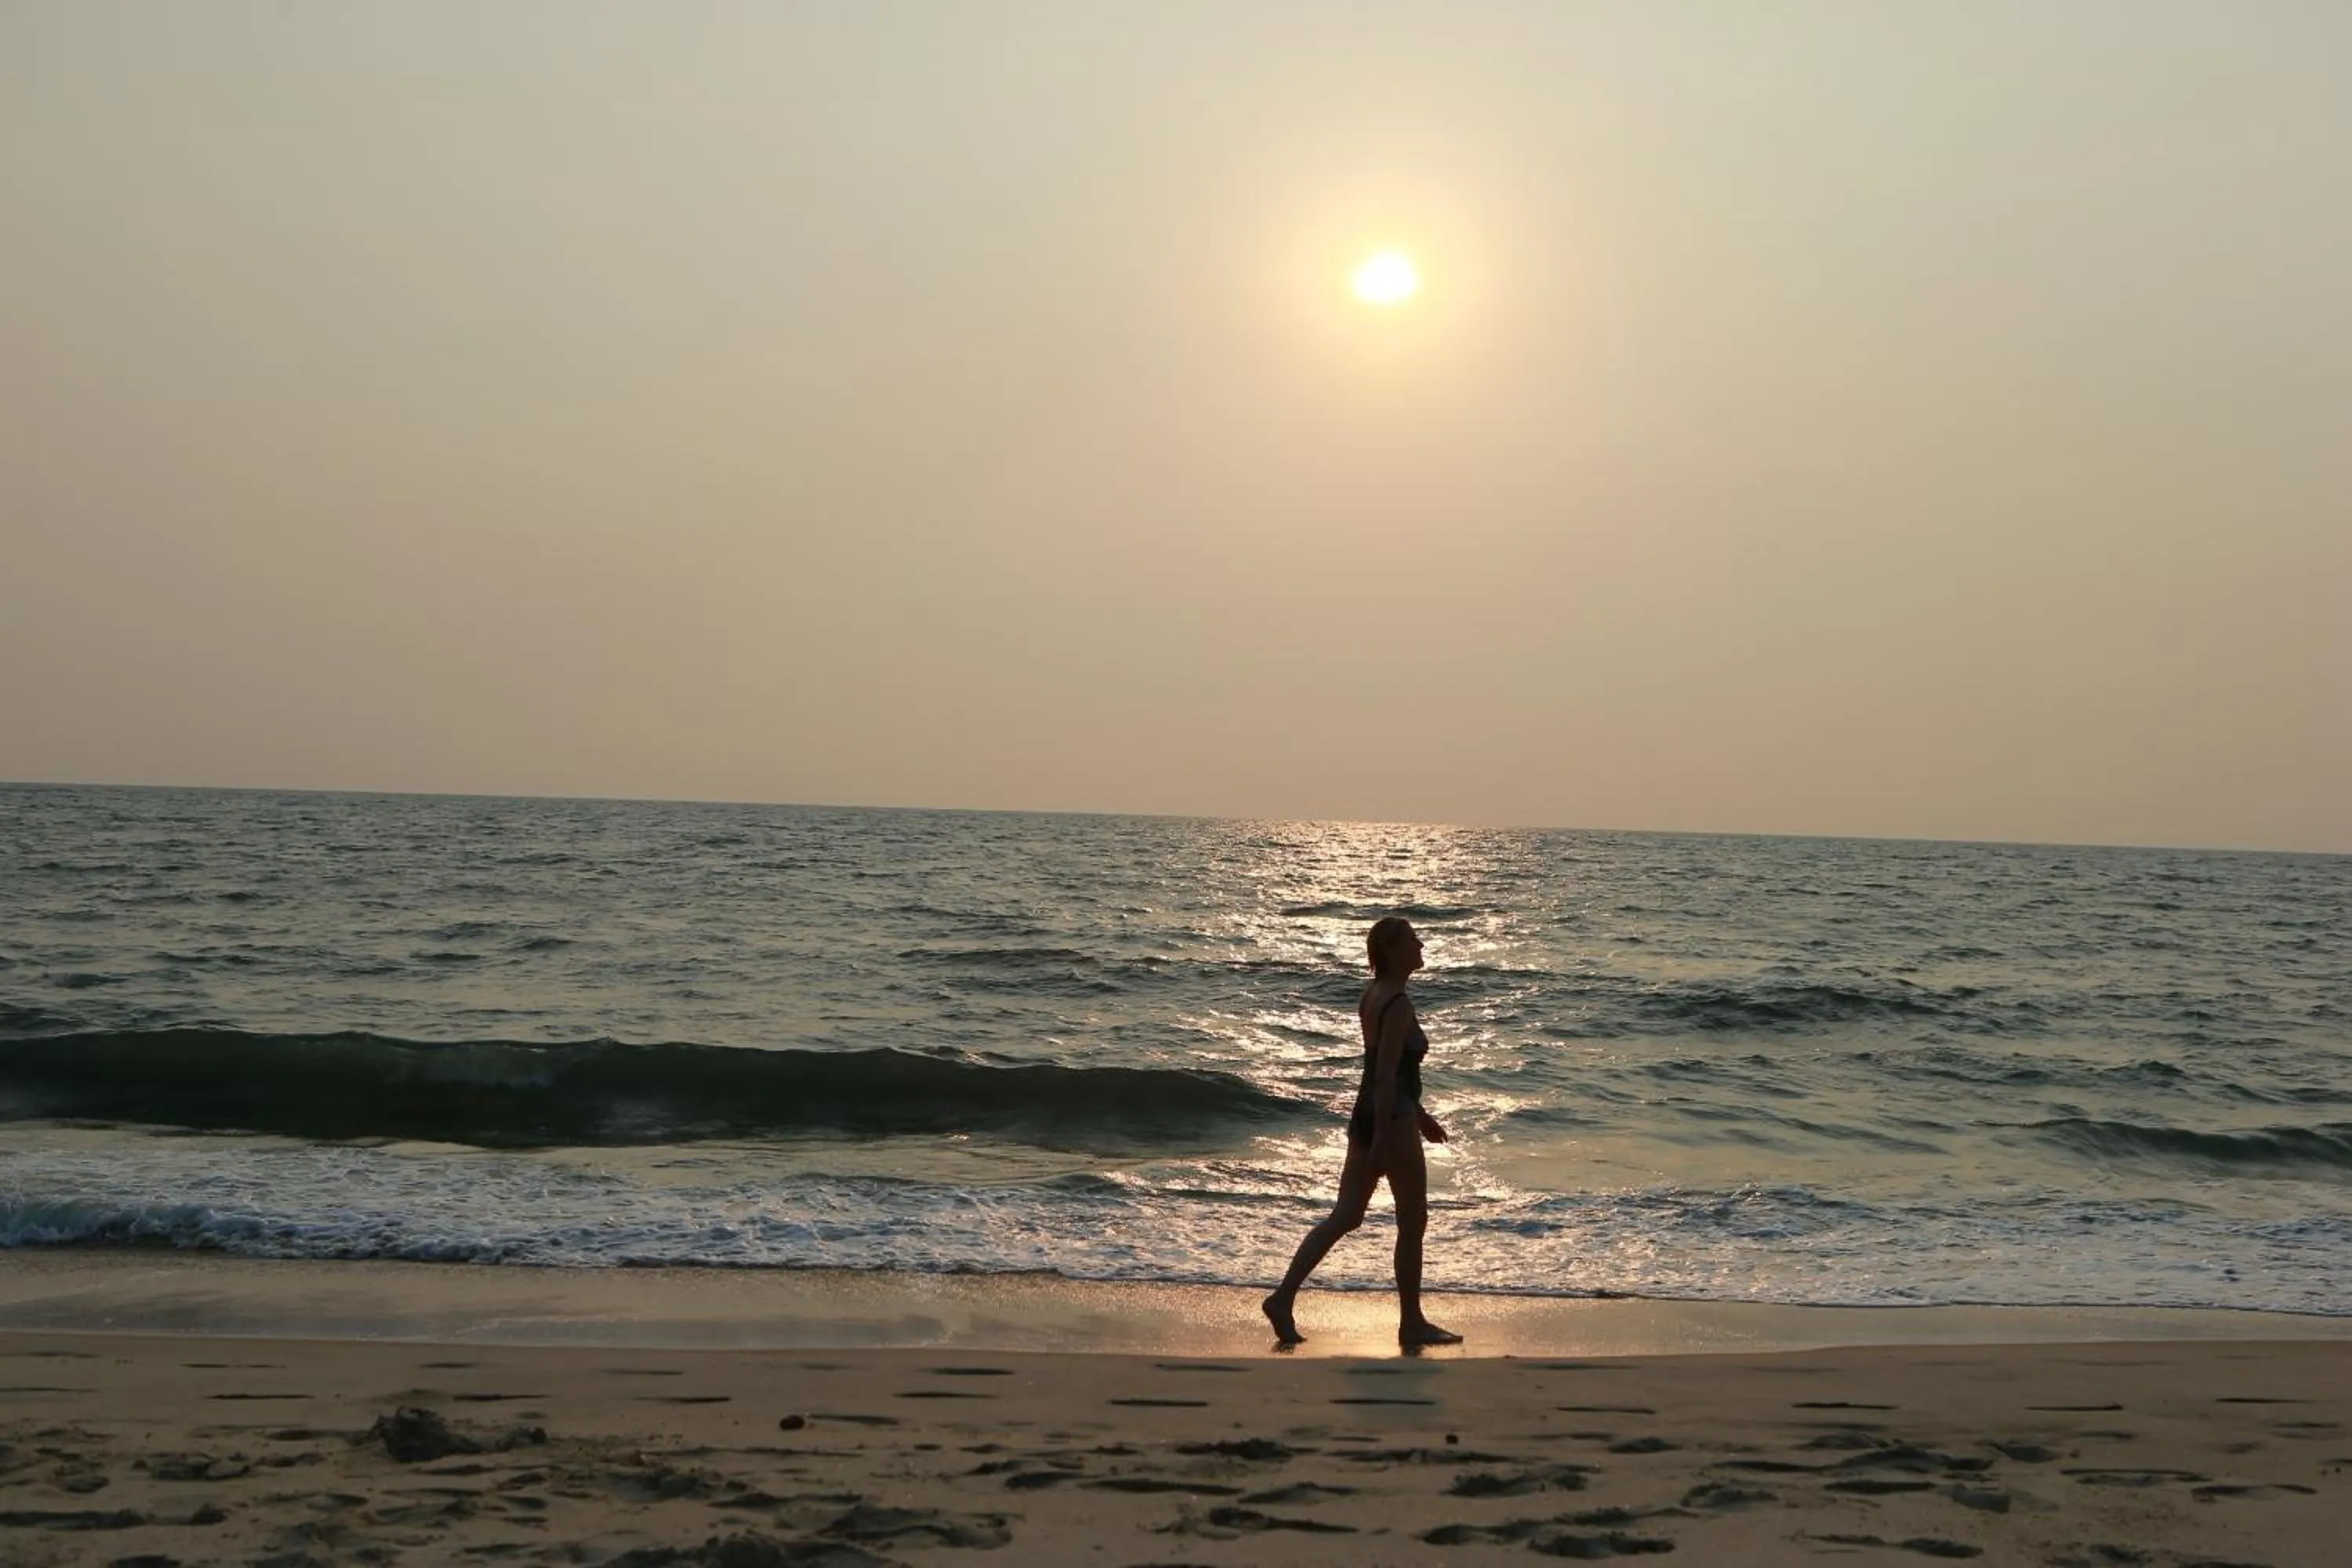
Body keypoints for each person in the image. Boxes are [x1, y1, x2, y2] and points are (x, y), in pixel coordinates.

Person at [1262, 916, 1461, 1347]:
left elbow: (1379, 1072)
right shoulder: (1398, 1005)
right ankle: (1411, 1323)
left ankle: (1282, 1298)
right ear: (1392, 951)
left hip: (1367, 1113)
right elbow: (1388, 1075)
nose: (1420, 944)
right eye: (1412, 939)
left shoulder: (1373, 996)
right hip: (1391, 1119)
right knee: (1413, 1221)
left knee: (1346, 1215)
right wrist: (1388, 1141)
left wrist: (1422, 1116)